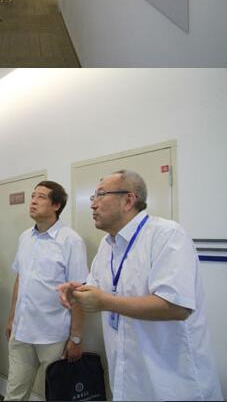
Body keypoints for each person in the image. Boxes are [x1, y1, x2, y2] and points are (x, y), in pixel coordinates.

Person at [58, 170, 223, 402]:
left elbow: (177, 307)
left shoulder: (167, 235)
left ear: (128, 200)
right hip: (128, 379)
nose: (93, 204)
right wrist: (77, 291)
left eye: (101, 195)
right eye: (93, 197)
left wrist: (106, 302)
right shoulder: (107, 244)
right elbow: (99, 289)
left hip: (173, 385)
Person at [4, 181, 87, 401]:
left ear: (56, 205)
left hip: (53, 334)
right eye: (33, 196)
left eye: (41, 197)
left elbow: (79, 292)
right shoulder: (25, 237)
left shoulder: (71, 241)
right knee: (14, 393)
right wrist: (12, 319)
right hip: (22, 331)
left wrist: (76, 338)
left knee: (56, 395)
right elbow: (20, 279)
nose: (33, 201)